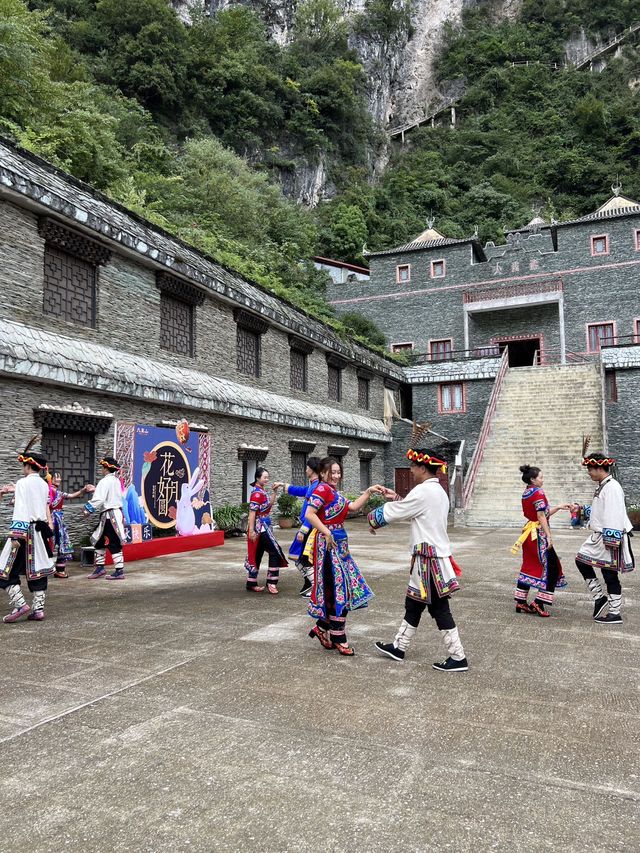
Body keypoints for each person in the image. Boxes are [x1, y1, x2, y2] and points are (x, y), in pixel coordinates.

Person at [369, 446, 468, 672]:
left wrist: (373, 518)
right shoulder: (437, 491)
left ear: (423, 467)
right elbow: (415, 510)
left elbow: (401, 511)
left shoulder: (423, 492)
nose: (411, 470)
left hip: (429, 560)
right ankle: (398, 646)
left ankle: (458, 656)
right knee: (413, 604)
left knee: (439, 609)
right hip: (430, 557)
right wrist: (395, 497)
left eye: (414, 466)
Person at [304, 456, 374, 656]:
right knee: (339, 589)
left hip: (339, 545)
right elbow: (310, 514)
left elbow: (352, 508)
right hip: (328, 546)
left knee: (339, 589)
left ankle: (322, 627)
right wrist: (325, 532)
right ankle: (338, 637)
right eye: (331, 472)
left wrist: (369, 491)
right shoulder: (322, 489)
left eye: (338, 472)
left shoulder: (333, 491)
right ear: (323, 473)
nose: (335, 475)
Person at [574, 452, 634, 624]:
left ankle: (614, 612)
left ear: (599, 468)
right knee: (582, 561)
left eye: (590, 470)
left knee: (609, 573)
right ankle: (600, 598)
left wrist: (612, 542)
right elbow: (601, 511)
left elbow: (614, 515)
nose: (589, 473)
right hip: (600, 536)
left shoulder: (612, 487)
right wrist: (581, 508)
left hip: (609, 537)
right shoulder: (604, 485)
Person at [0, 446, 54, 623]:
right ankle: (38, 610)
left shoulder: (23, 483)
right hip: (38, 532)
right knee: (37, 570)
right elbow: (38, 505)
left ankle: (20, 604)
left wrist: (15, 535)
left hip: (23, 531)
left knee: (4, 569)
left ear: (28, 465)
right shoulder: (44, 484)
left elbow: (22, 509)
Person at [510, 465, 570, 617]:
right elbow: (541, 516)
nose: (543, 480)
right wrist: (549, 535)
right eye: (540, 477)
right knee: (552, 568)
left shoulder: (527, 492)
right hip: (538, 535)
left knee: (530, 565)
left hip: (528, 534)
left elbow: (541, 512)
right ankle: (539, 602)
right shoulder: (539, 492)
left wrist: (558, 507)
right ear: (532, 479)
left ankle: (521, 601)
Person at [273, 457, 321, 597]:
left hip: (310, 528)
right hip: (308, 527)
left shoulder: (317, 487)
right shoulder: (313, 485)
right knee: (296, 555)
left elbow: (313, 512)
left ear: (312, 469)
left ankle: (315, 588)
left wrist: (303, 529)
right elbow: (301, 490)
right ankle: (309, 581)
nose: (305, 469)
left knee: (304, 558)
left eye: (307, 467)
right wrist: (283, 485)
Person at [244, 467, 288, 594]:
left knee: (257, 553)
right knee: (274, 551)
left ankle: (251, 583)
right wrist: (251, 530)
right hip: (259, 528)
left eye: (268, 477)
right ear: (258, 478)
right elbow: (252, 513)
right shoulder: (257, 494)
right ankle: (272, 582)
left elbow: (269, 506)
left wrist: (274, 492)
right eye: (265, 477)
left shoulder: (261, 491)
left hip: (264, 526)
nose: (267, 479)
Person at [84, 456, 126, 580]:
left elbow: (100, 498)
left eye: (102, 468)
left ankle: (119, 571)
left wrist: (87, 509)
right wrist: (96, 489)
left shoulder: (105, 481)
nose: (101, 470)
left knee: (113, 542)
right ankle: (100, 568)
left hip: (109, 517)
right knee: (99, 541)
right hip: (112, 515)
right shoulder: (116, 481)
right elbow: (109, 495)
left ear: (106, 469)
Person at [48, 472, 94, 578]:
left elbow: (71, 496)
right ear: (50, 479)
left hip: (58, 520)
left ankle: (59, 570)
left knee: (61, 544)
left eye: (59, 477)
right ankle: (52, 569)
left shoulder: (56, 491)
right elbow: (70, 496)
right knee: (54, 544)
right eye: (56, 478)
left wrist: (83, 490)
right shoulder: (49, 491)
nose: (59, 480)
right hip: (52, 520)